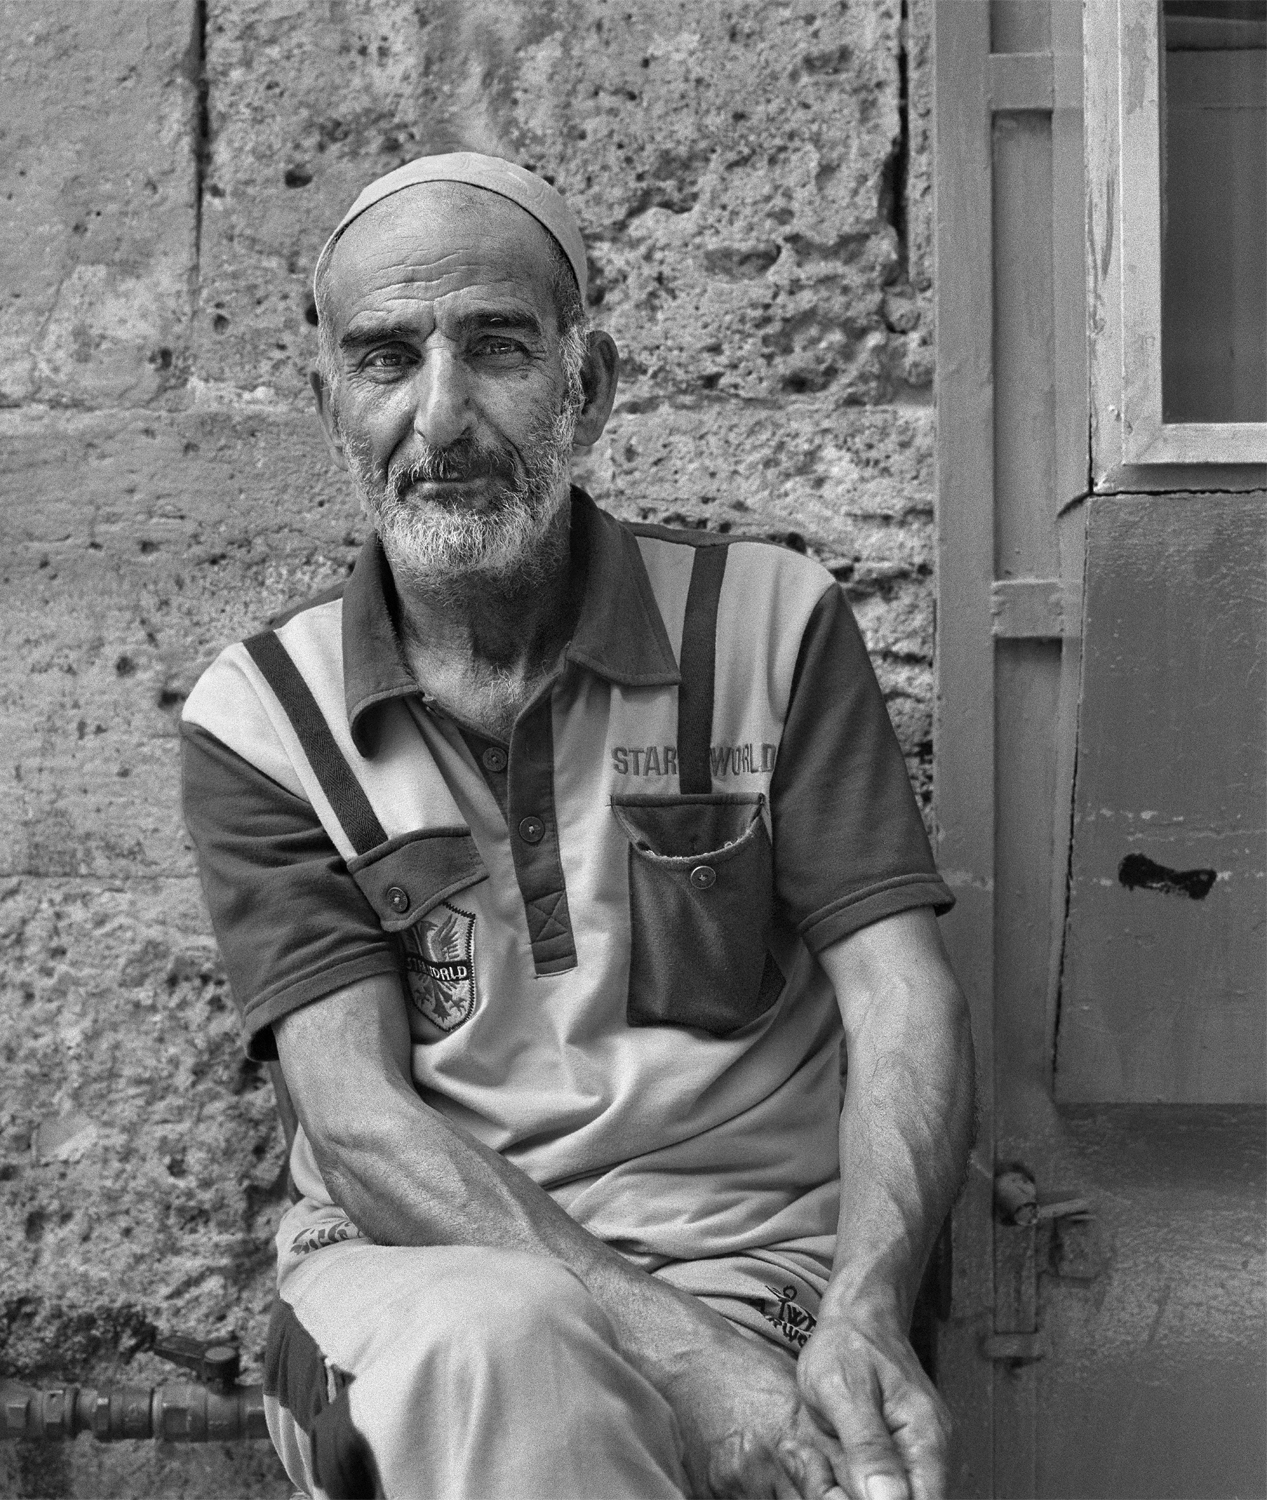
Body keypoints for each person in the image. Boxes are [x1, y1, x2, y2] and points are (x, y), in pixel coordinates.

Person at [180, 152, 976, 1500]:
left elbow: (901, 1000)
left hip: (755, 1279)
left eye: (495, 348)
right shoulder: (265, 718)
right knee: (507, 1347)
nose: (441, 419)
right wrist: (675, 1360)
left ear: (586, 385)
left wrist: (866, 1308)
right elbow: (361, 1123)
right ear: (331, 405)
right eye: (385, 361)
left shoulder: (769, 627)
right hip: (416, 1290)